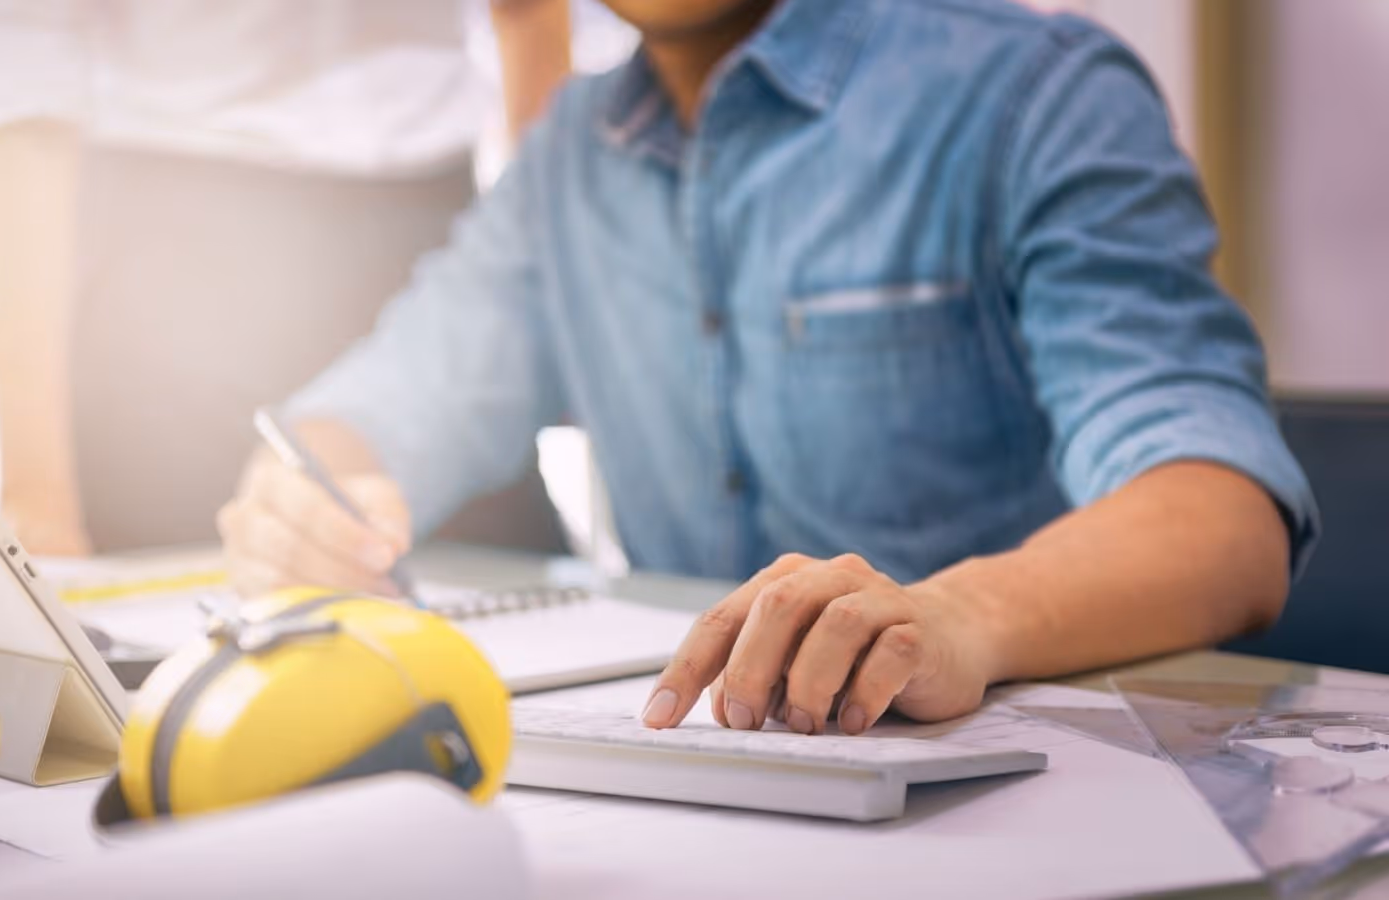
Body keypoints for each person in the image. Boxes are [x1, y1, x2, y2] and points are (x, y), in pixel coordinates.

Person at [217, 0, 1319, 735]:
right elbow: (385, 404)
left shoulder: (1032, 91)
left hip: (1009, 803)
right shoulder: (568, 160)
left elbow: (1223, 521)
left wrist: (957, 618)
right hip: (702, 806)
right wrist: (313, 499)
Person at [0, 0, 579, 556]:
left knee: (506, 620)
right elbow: (19, 73)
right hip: (175, 264)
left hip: (433, 235)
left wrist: (548, 275)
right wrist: (38, 500)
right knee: (183, 641)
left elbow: (528, 12)